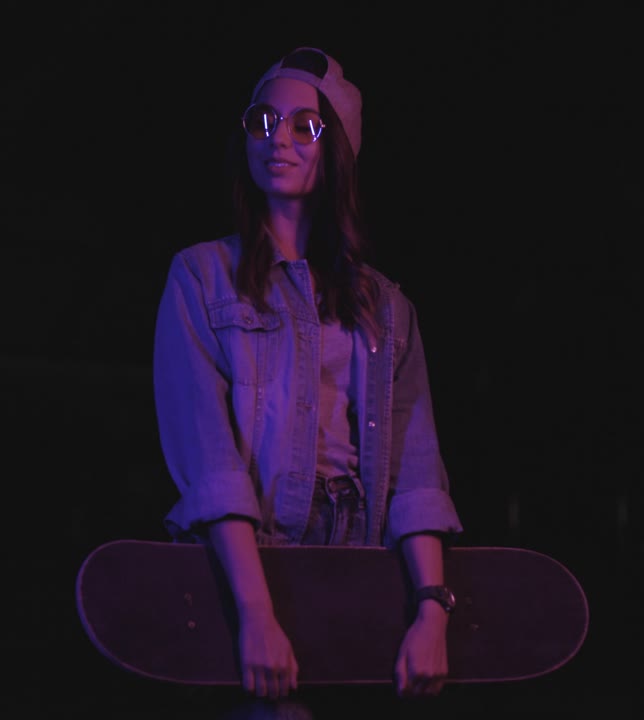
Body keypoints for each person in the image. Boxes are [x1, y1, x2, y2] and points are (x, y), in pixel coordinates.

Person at [152, 46, 465, 718]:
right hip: (256, 562)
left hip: (366, 569)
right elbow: (209, 457)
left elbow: (416, 472)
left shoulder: (388, 308)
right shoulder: (202, 277)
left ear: (338, 149)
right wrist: (256, 612)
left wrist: (431, 611)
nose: (278, 139)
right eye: (262, 121)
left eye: (304, 126)